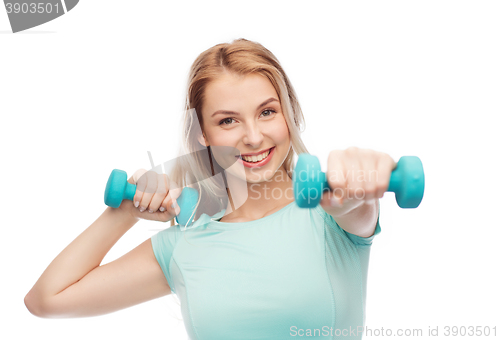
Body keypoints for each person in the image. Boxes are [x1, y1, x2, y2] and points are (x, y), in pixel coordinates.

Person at [24, 38, 396, 339]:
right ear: (204, 134)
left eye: (267, 112)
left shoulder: (332, 209)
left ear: (289, 115)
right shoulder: (184, 244)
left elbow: (357, 208)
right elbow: (47, 300)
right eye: (228, 120)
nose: (253, 137)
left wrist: (363, 178)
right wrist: (125, 212)